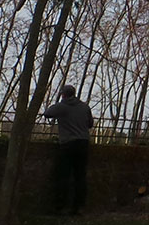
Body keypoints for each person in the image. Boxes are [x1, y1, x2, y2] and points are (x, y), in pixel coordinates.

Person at [43, 84, 93, 215]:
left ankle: (59, 207)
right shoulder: (84, 106)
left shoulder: (62, 106)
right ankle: (79, 207)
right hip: (83, 143)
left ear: (63, 95)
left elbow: (47, 113)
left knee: (63, 175)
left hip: (68, 144)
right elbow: (90, 124)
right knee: (80, 176)